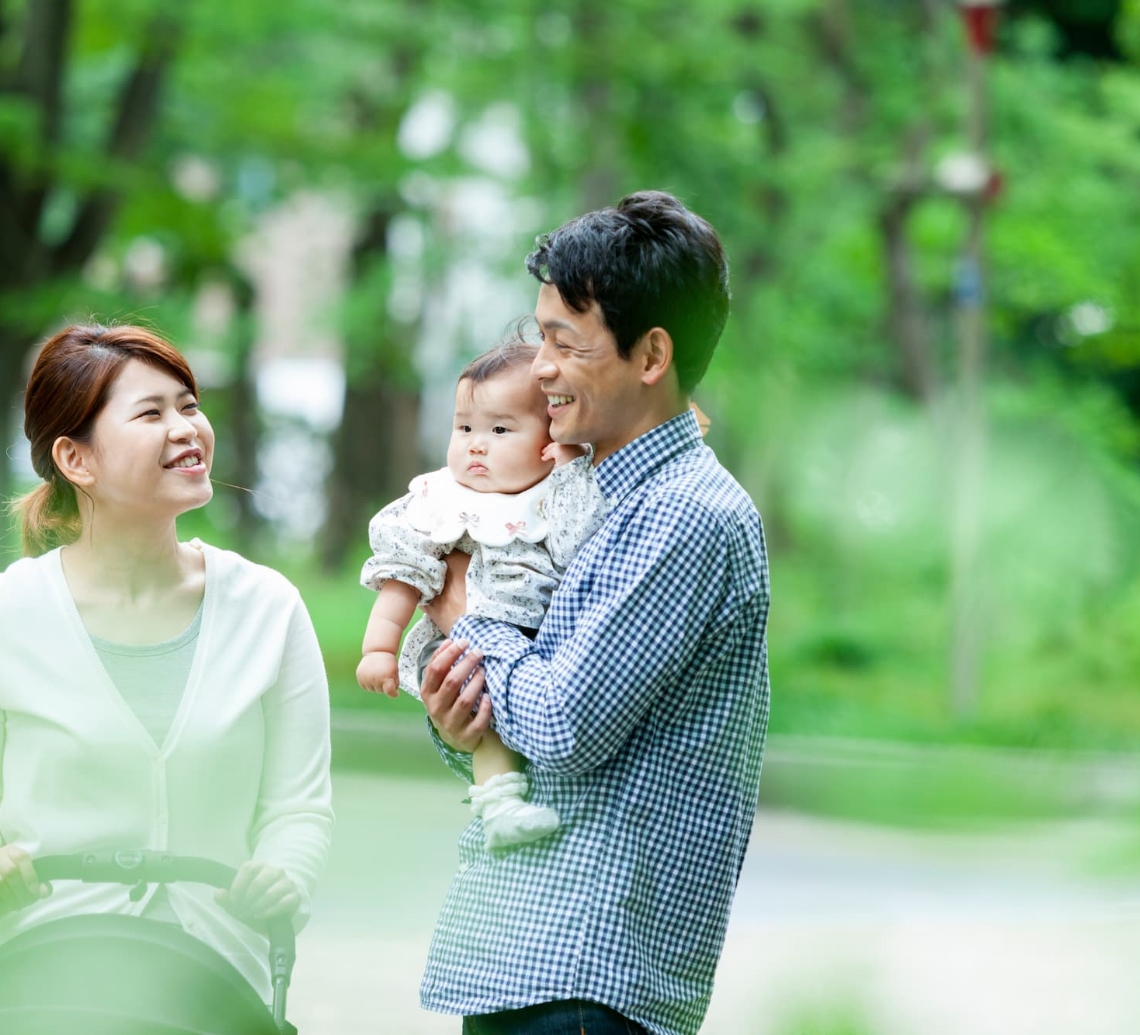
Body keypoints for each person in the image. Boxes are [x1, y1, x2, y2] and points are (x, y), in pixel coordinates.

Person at [416, 191, 770, 1035]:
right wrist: (458, 703)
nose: (538, 367)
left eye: (564, 342)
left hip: (590, 974)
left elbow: (561, 722)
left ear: (652, 355)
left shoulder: (686, 512)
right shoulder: (575, 498)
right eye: (540, 335)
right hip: (524, 958)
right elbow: (490, 723)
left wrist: (469, 613)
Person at [0, 324, 334, 1003]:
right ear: (76, 458)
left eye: (188, 405)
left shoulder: (268, 609)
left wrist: (282, 874)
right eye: (151, 413)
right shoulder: (13, 611)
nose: (187, 429)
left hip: (214, 981)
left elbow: (299, 807)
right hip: (42, 973)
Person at [357, 339, 607, 850]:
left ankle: (504, 805)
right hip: (462, 652)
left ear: (549, 438)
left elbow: (578, 544)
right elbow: (404, 575)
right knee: (483, 715)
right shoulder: (441, 502)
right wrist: (379, 648)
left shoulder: (560, 495)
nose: (475, 444)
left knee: (495, 707)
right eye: (464, 427)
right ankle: (499, 806)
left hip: (538, 651)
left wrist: (566, 472)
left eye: (499, 430)